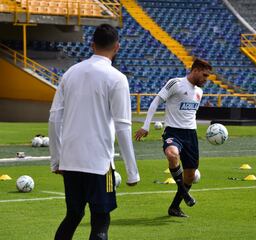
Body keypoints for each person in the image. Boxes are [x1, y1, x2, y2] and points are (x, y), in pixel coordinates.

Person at [49, 24, 140, 240]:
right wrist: (132, 171)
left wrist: (56, 159)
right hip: (100, 165)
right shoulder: (117, 78)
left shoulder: (70, 73)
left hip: (70, 161)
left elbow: (54, 118)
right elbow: (123, 126)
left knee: (73, 215)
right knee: (101, 219)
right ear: (117, 47)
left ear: (92, 45)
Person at [135, 59, 212, 217]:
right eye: (204, 75)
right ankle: (185, 193)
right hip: (173, 131)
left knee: (190, 175)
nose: (206, 79)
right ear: (195, 70)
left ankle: (174, 207)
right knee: (172, 154)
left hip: (190, 134)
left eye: (208, 76)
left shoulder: (199, 92)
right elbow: (156, 101)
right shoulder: (175, 83)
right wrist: (146, 125)